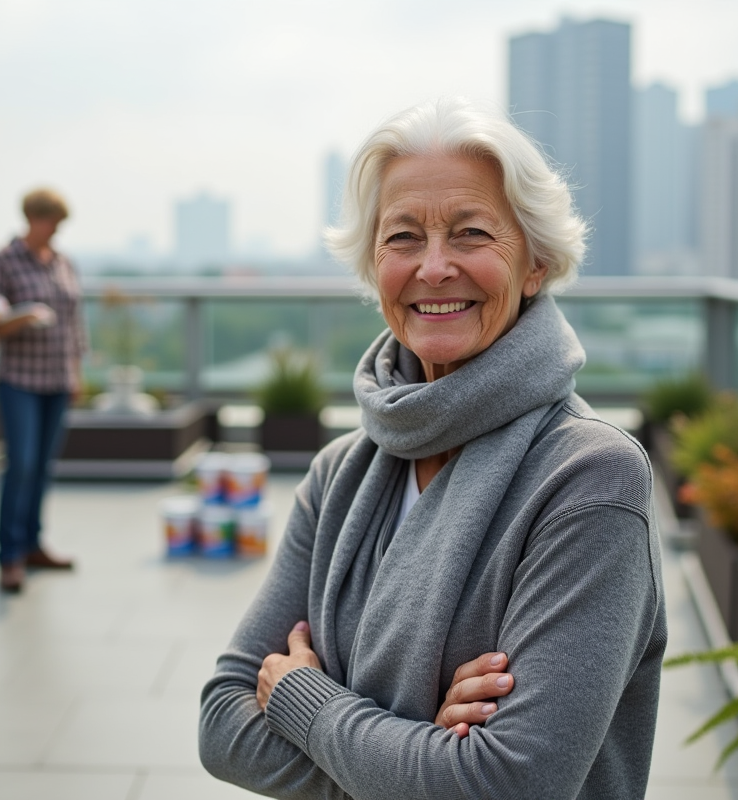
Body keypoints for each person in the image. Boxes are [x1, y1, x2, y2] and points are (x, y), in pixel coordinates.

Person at [199, 98, 667, 799]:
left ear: (536, 262)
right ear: (372, 266)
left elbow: (511, 787)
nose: (435, 266)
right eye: (404, 238)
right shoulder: (340, 476)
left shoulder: (589, 480)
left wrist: (307, 698)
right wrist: (424, 751)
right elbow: (221, 725)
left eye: (472, 233)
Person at [0, 188, 85, 593]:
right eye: (52, 222)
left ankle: (32, 543)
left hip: (56, 381)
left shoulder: (63, 262)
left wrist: (75, 371)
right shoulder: (3, 261)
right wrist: (23, 318)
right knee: (20, 464)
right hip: (20, 381)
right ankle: (9, 555)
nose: (56, 231)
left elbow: (75, 321)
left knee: (42, 466)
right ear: (34, 219)